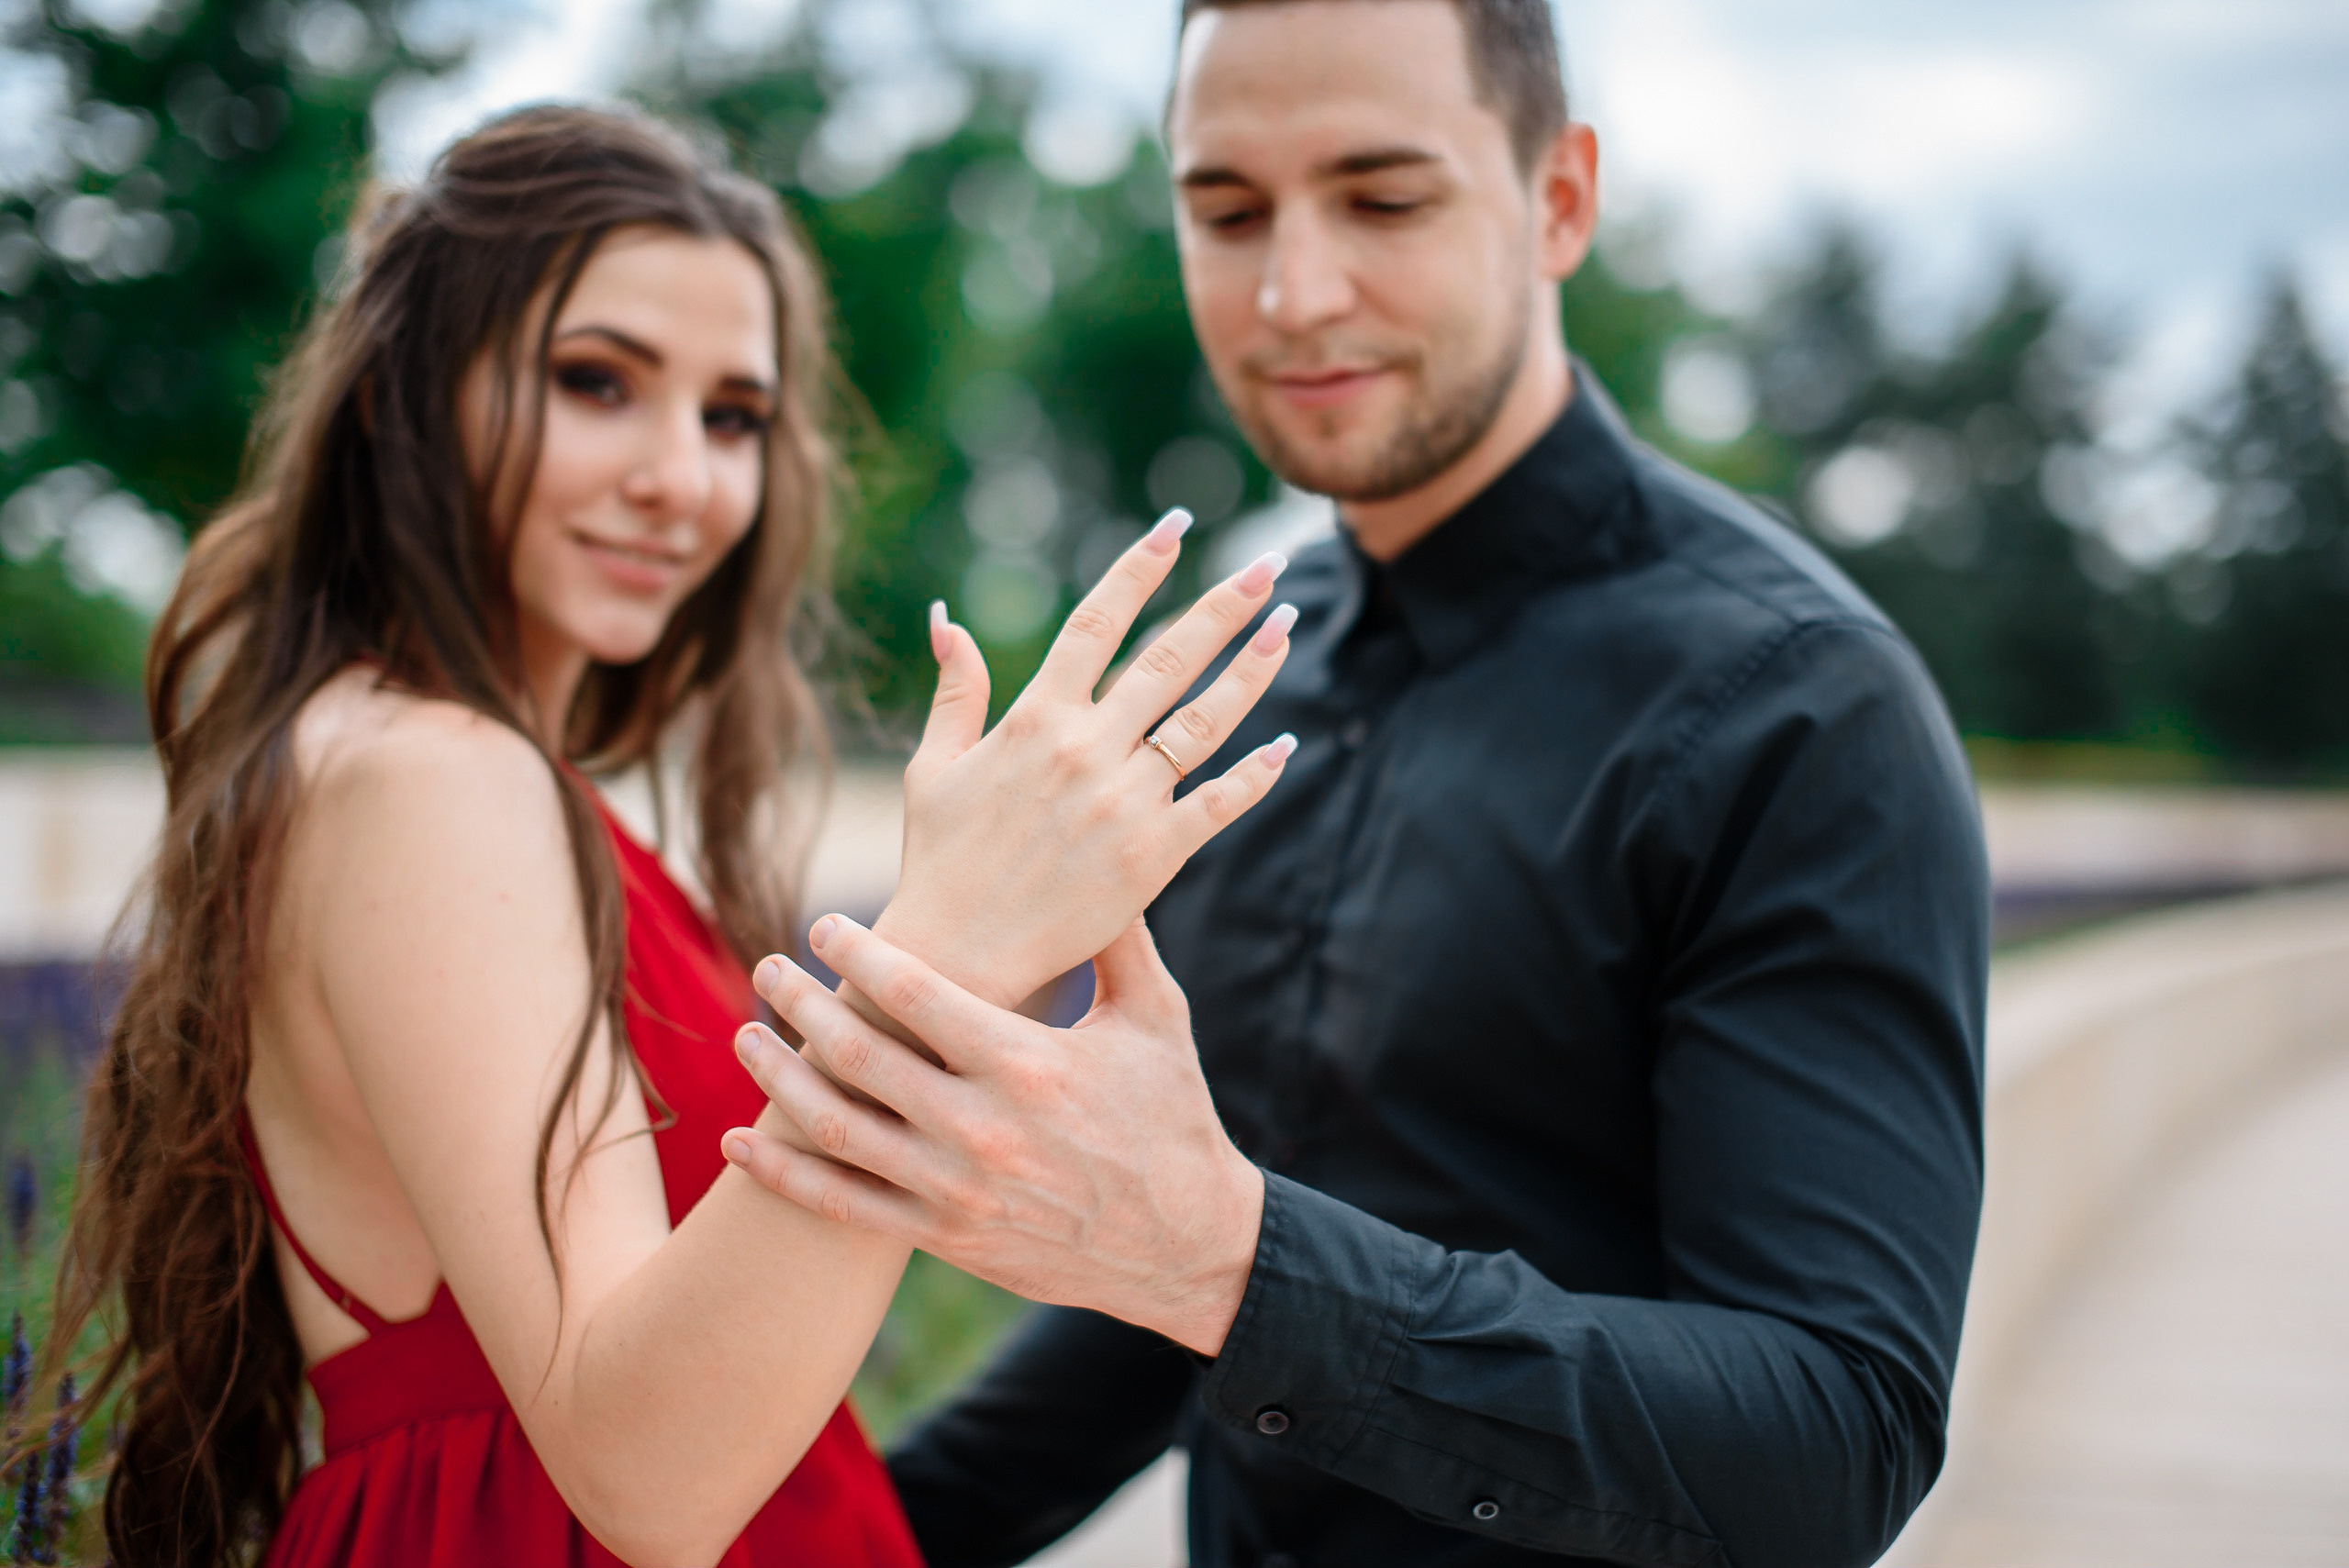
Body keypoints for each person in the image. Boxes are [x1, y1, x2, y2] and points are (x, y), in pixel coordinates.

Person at [721, 2, 1991, 1565]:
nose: (1291, 292)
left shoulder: (1799, 708)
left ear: (1561, 200)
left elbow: (1835, 1437)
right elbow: (1155, 1295)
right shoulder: (1244, 675)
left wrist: (1229, 1265)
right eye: (1226, 208)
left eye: (1384, 198)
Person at [34, 106, 1304, 1568]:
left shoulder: (466, 780)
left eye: (732, 417)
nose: (680, 478)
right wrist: (949, 938)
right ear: (402, 395)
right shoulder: (433, 776)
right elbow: (647, 1468)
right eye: (596, 381)